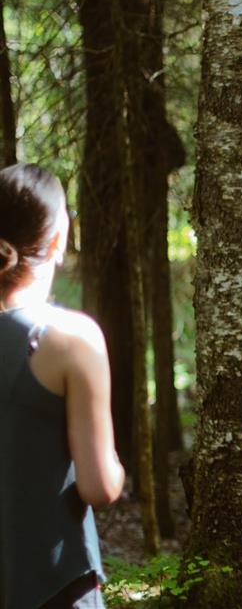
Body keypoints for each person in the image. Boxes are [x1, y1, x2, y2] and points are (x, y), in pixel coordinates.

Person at [0, 163, 124, 609]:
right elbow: (99, 487)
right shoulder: (71, 339)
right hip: (54, 584)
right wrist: (115, 466)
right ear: (57, 240)